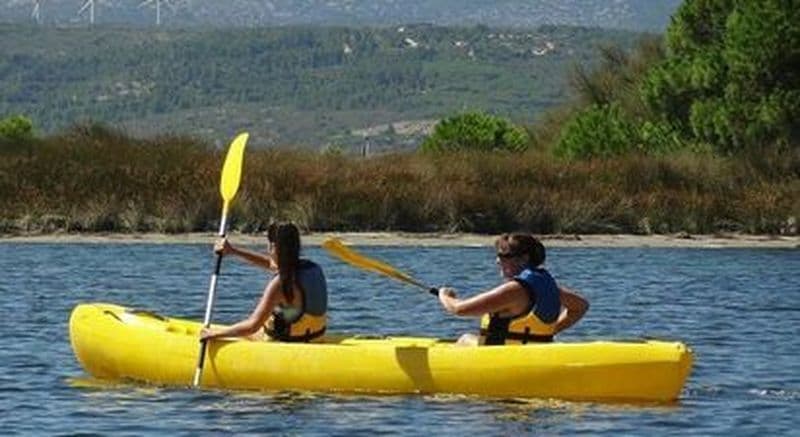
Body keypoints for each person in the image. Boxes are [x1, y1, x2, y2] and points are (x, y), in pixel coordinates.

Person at [438, 233, 588, 345]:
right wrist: (550, 330)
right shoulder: (549, 287)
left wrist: (445, 295)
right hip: (534, 354)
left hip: (501, 358)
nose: (497, 261)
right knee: (468, 338)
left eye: (503, 256)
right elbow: (580, 306)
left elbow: (459, 309)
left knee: (465, 339)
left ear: (524, 258)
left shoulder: (513, 290)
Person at [200, 222, 328, 343]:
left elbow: (252, 326)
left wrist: (214, 334)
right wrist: (234, 251)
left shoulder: (279, 284)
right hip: (314, 338)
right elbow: (271, 265)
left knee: (243, 329)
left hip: (286, 344)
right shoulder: (313, 268)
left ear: (273, 247)